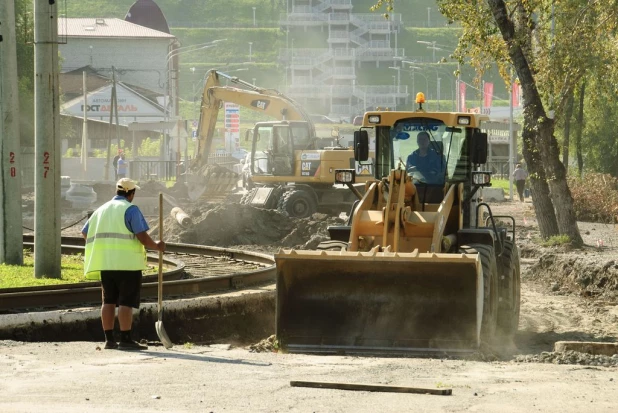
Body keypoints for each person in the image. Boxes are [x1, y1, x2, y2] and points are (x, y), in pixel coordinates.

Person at [81, 178, 166, 350]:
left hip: (106, 263)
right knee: (126, 302)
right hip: (128, 264)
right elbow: (142, 237)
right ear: (131, 193)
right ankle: (126, 340)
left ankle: (109, 340)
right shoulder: (130, 209)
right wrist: (157, 246)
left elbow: (84, 233)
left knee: (108, 301)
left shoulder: (101, 210)